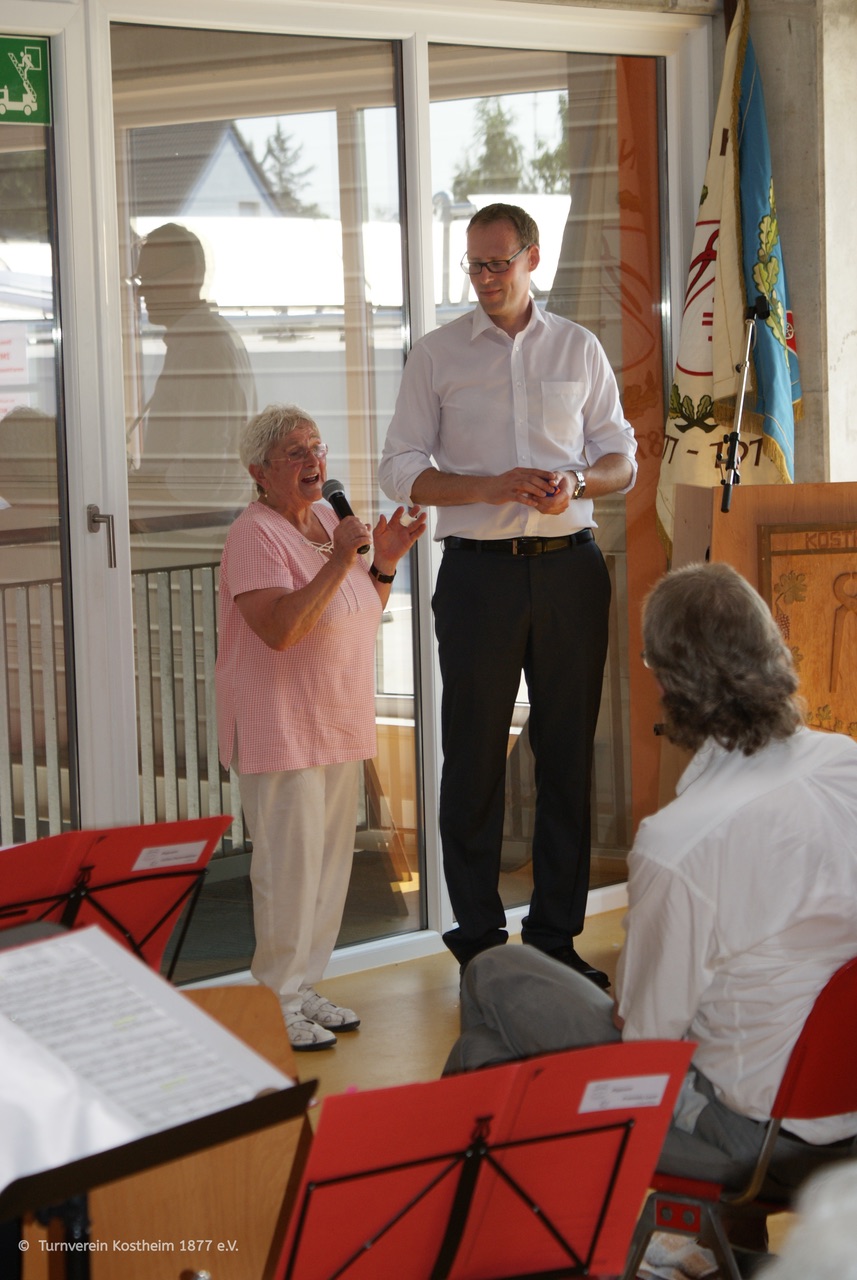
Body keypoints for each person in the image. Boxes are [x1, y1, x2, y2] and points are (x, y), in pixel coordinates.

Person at [444, 563, 857, 1223]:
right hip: (841, 1108)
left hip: (753, 1137)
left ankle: (506, 1228)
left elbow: (643, 1042)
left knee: (491, 974)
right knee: (481, 1054)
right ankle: (680, 1242)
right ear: (774, 649)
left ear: (665, 682)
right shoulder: (845, 763)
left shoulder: (682, 841)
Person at [379, 202, 637, 982]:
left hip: (570, 571)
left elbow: (621, 458)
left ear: (531, 259)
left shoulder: (577, 347)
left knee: (566, 758)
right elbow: (398, 468)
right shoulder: (436, 354)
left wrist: (577, 483)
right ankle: (480, 947)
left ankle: (555, 942)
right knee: (472, 761)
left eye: (498, 263)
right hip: (477, 578)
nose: (485, 278)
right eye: (474, 264)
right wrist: (488, 484)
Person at [215, 404, 426, 1050]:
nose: (314, 462)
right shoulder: (253, 536)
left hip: (336, 718)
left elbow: (355, 612)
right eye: (295, 453)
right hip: (281, 726)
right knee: (289, 870)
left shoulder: (331, 521)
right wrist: (340, 561)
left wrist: (383, 563)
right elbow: (281, 630)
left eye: (317, 447)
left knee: (330, 870)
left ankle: (303, 986)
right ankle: (274, 1001)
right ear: (259, 472)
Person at [128, 221, 256, 524]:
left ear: (189, 276)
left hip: (193, 528)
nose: (141, 291)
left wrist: (135, 487)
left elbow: (203, 477)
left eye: (151, 278)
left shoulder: (202, 349)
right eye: (140, 280)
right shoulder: (202, 340)